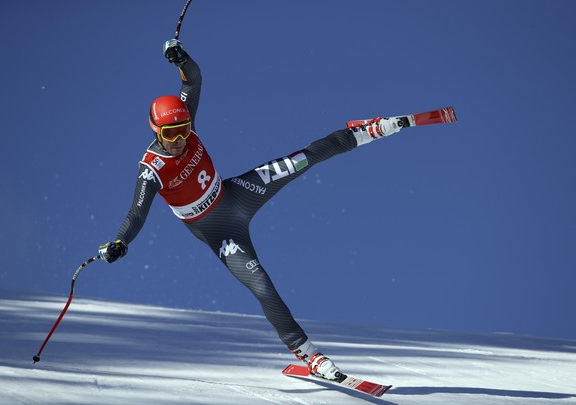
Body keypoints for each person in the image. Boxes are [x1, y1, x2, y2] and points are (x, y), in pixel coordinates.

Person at [98, 39, 402, 381]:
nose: (181, 138)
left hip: (235, 194)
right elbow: (136, 213)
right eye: (172, 133)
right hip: (217, 230)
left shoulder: (186, 126)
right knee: (262, 287)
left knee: (300, 159)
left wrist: (181, 57)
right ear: (157, 131)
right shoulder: (151, 168)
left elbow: (193, 81)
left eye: (184, 129)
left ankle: (368, 131)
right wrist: (121, 241)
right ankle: (309, 355)